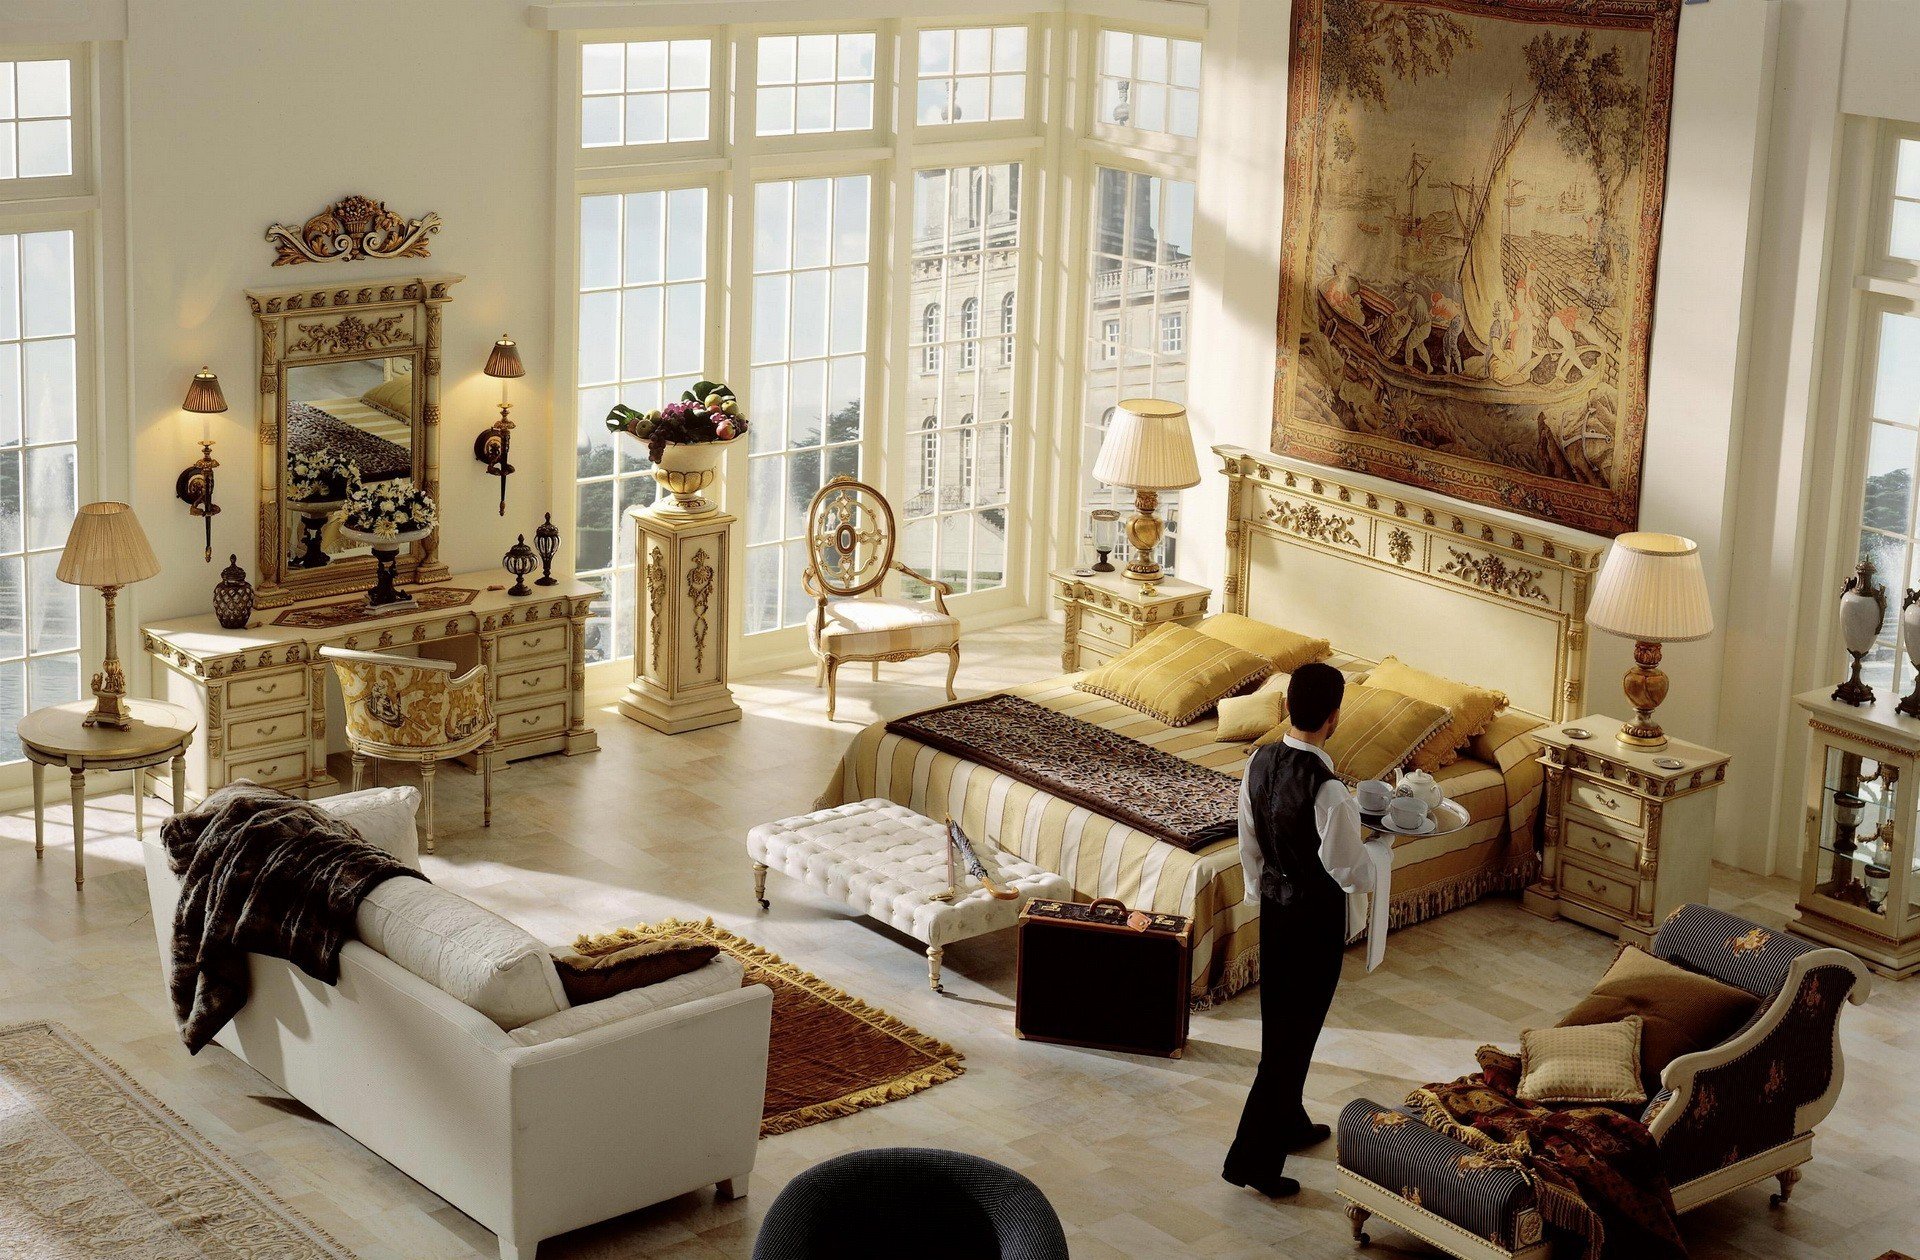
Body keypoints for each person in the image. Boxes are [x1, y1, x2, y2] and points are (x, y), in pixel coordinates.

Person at [1222, 662, 1384, 1199]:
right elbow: (1348, 871)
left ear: (1287, 705)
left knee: (1281, 1028)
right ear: (1335, 717)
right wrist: (1381, 853)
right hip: (1313, 923)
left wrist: (1259, 890)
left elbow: (1248, 840)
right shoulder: (1330, 792)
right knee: (1293, 1039)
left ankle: (1289, 1121)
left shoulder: (1258, 761)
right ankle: (1253, 1161)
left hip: (1275, 911)